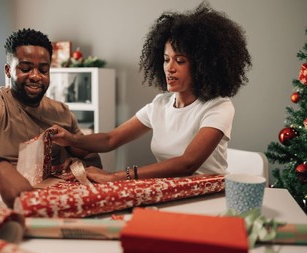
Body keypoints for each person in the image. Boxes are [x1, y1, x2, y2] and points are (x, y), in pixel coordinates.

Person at [51, 2, 252, 183]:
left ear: (202, 66)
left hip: (209, 197)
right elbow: (111, 139)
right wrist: (72, 139)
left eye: (180, 61)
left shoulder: (218, 106)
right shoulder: (160, 104)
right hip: (168, 193)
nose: (169, 68)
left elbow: (187, 164)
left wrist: (115, 176)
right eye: (166, 59)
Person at [0, 28, 102, 208]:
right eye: (25, 68)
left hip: (56, 205)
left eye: (43, 69)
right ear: (8, 71)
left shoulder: (61, 112)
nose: (35, 76)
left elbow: (91, 157)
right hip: (3, 204)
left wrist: (79, 164)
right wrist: (2, 170)